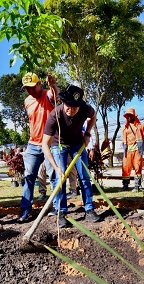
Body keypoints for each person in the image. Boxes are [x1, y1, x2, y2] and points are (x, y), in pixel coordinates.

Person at [42, 84, 101, 228]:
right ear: (63, 102)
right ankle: (61, 212)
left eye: (75, 106)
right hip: (58, 145)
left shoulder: (86, 109)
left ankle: (89, 209)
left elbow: (93, 116)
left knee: (84, 176)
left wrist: (87, 133)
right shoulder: (54, 115)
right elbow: (45, 145)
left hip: (77, 144)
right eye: (68, 105)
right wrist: (56, 167)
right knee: (59, 178)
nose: (71, 109)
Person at [18, 72, 59, 222]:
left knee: (54, 176)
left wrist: (53, 85)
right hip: (33, 145)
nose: (30, 90)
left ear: (39, 84)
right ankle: (25, 210)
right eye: (27, 88)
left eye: (32, 87)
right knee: (29, 177)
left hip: (50, 143)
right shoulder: (27, 101)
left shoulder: (48, 94)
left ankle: (57, 208)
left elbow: (55, 96)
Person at [121, 107, 144, 192]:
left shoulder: (141, 126)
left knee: (138, 166)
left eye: (130, 115)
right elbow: (123, 139)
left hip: (137, 150)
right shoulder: (125, 127)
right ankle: (125, 185)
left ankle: (137, 186)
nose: (128, 117)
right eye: (127, 115)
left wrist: (141, 146)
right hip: (127, 150)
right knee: (125, 168)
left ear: (134, 115)